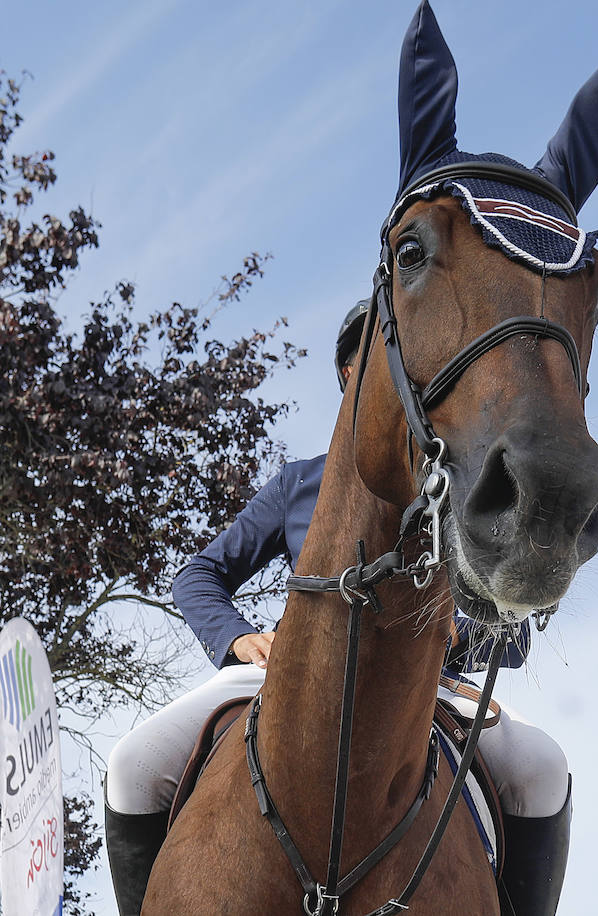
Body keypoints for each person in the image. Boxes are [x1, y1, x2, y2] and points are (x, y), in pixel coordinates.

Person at [104, 301, 573, 916]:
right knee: (131, 766)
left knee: (542, 769)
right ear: (352, 378)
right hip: (286, 675)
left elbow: (512, 631)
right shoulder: (298, 484)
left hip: (429, 688)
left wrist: (452, 637)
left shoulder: (465, 490)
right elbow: (200, 574)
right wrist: (237, 638)